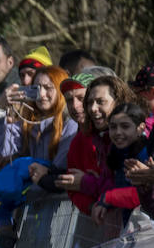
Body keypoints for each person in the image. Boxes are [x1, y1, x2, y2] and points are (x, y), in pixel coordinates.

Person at [0, 65, 76, 248]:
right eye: (36, 88)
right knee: (2, 193)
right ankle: (5, 239)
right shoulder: (29, 124)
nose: (41, 94)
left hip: (61, 211)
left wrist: (35, 177)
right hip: (35, 207)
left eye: (48, 88)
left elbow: (60, 167)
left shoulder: (71, 125)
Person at [59, 75, 140, 215]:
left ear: (118, 101)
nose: (92, 108)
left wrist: (88, 183)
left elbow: (131, 188)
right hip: (105, 228)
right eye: (89, 102)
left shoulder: (134, 137)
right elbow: (71, 186)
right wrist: (93, 206)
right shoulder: (82, 141)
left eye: (100, 101)